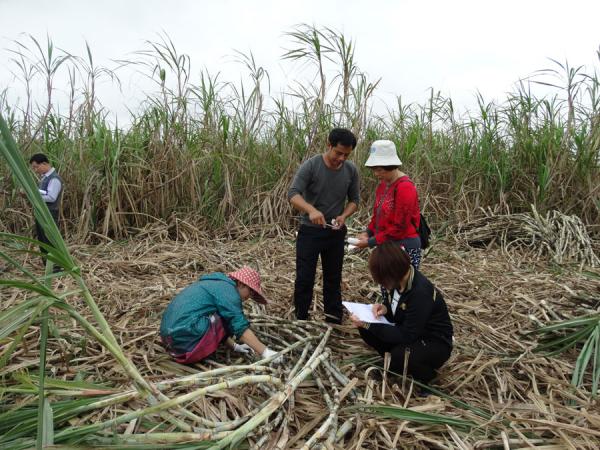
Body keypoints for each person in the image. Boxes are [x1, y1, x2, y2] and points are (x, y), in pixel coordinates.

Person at [350, 241, 453, 388]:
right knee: (367, 330)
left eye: (383, 279)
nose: (383, 285)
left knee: (401, 354)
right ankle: (393, 364)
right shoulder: (399, 280)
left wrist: (369, 324)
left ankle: (427, 377)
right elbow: (392, 303)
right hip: (409, 331)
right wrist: (384, 307)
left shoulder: (420, 293)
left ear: (392, 272)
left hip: (433, 342)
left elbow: (407, 335)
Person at [288, 128, 360, 324]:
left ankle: (333, 319)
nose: (342, 158)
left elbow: (355, 200)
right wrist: (311, 210)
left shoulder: (351, 170)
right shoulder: (311, 166)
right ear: (329, 145)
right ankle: (301, 318)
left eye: (346, 154)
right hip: (310, 232)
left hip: (335, 233)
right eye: (338, 153)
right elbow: (293, 194)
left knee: (333, 278)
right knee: (305, 278)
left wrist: (344, 215)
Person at [160, 266, 281, 364]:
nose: (249, 297)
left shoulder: (218, 284)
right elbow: (239, 326)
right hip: (183, 336)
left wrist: (234, 346)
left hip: (170, 339)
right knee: (228, 317)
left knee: (222, 315)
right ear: (240, 283)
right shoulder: (229, 292)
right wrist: (265, 352)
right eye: (250, 292)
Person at [353, 140, 423, 269]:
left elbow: (399, 227)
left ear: (392, 165)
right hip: (385, 244)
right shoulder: (382, 186)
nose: (376, 174)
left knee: (402, 287)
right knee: (386, 285)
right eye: (374, 170)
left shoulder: (405, 188)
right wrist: (368, 232)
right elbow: (377, 216)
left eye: (380, 170)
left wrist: (370, 242)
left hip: (403, 247)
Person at [29, 153, 63, 270]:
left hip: (49, 214)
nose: (35, 170)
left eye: (36, 167)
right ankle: (48, 267)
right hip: (42, 213)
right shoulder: (45, 178)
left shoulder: (54, 178)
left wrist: (32, 196)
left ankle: (56, 267)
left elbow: (51, 197)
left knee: (50, 240)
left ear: (44, 163)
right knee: (42, 240)